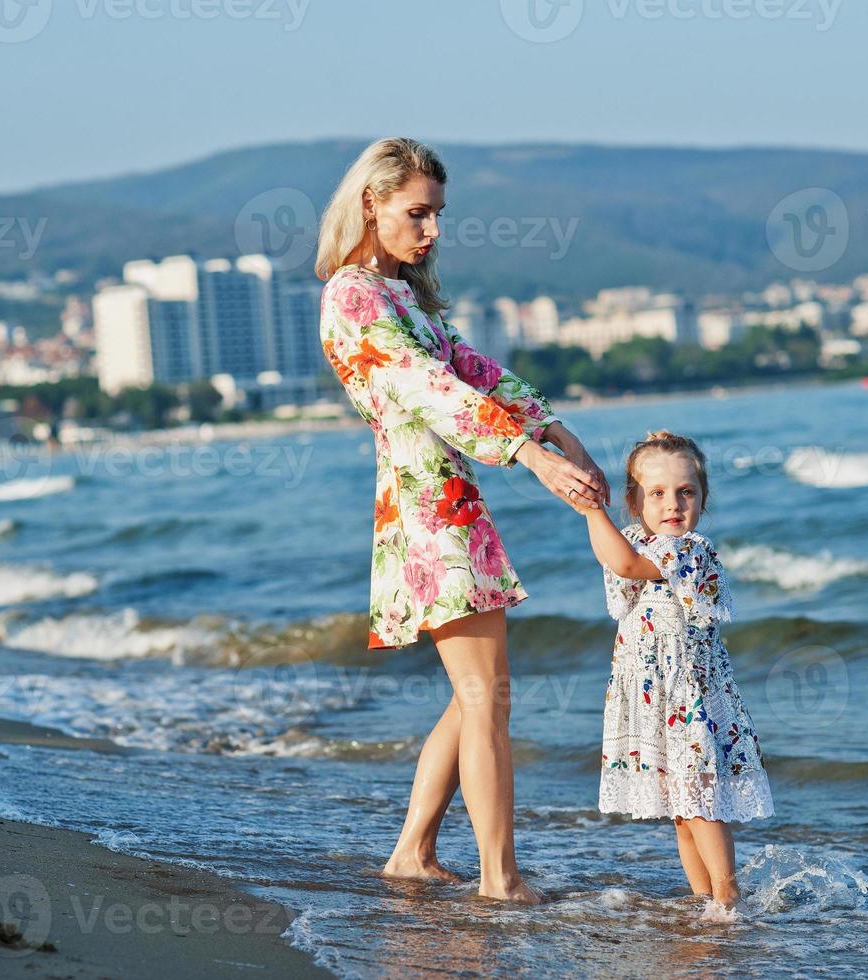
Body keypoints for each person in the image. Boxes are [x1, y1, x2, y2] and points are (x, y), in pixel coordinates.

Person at [316, 136, 610, 904]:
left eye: (438, 213)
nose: (433, 229)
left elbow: (476, 372)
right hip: (424, 513)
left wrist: (557, 433)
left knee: (475, 692)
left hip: (445, 504)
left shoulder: (402, 295)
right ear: (369, 204)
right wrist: (534, 457)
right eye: (418, 212)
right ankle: (498, 878)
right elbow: (427, 390)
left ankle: (413, 852)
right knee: (486, 696)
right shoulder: (352, 296)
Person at [569, 430, 774, 911]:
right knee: (680, 812)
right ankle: (704, 900)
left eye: (687, 492)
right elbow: (618, 561)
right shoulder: (640, 541)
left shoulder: (688, 550)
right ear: (634, 501)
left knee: (698, 798)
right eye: (657, 493)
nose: (673, 504)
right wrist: (597, 510)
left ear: (703, 499)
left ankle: (728, 896)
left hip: (691, 698)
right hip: (653, 695)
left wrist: (589, 508)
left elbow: (623, 562)